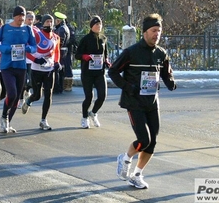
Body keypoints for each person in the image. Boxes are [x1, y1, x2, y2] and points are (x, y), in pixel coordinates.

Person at [108, 13, 176, 189]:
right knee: (143, 140)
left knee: (152, 142)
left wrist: (170, 82)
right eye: (154, 31)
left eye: (159, 31)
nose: (157, 35)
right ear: (145, 32)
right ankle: (125, 158)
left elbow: (166, 72)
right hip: (134, 102)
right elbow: (113, 72)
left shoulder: (161, 53)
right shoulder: (131, 53)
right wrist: (128, 87)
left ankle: (137, 175)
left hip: (152, 102)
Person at [0, 6, 36, 133]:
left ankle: (7, 122)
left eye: (23, 16)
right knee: (12, 93)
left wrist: (29, 49)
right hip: (7, 66)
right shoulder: (6, 28)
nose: (22, 18)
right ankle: (4, 115)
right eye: (19, 16)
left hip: (21, 67)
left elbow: (34, 46)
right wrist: (5, 48)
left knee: (17, 98)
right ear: (14, 16)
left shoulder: (27, 29)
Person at [21, 14, 61, 130]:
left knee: (48, 94)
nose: (49, 23)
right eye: (47, 21)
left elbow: (57, 52)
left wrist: (57, 62)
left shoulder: (56, 37)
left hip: (49, 69)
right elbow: (27, 50)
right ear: (43, 23)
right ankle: (29, 100)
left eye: (51, 21)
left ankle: (43, 120)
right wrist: (36, 59)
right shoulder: (37, 36)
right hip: (36, 69)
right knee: (37, 95)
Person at [75, 16, 109, 129]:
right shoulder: (85, 39)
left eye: (100, 24)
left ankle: (93, 113)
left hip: (100, 72)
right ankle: (84, 117)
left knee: (102, 96)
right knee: (89, 97)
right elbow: (77, 54)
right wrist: (85, 57)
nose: (99, 26)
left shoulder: (103, 39)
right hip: (87, 73)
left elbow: (105, 54)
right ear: (91, 26)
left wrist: (107, 61)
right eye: (96, 24)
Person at [18, 11, 36, 108]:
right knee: (22, 81)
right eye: (29, 19)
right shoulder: (21, 30)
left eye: (32, 19)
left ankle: (27, 90)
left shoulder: (36, 30)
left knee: (32, 81)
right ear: (25, 20)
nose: (30, 21)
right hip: (22, 59)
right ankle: (21, 100)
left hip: (33, 60)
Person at [53, 11, 70, 94]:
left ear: (59, 21)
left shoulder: (61, 29)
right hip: (64, 50)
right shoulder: (65, 27)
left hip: (60, 50)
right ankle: (60, 86)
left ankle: (57, 86)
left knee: (58, 69)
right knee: (61, 69)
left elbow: (60, 41)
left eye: (56, 20)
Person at [63, 18, 77, 92]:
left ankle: (68, 85)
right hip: (62, 50)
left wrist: (65, 43)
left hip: (68, 50)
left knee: (68, 66)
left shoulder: (69, 28)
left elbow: (72, 39)